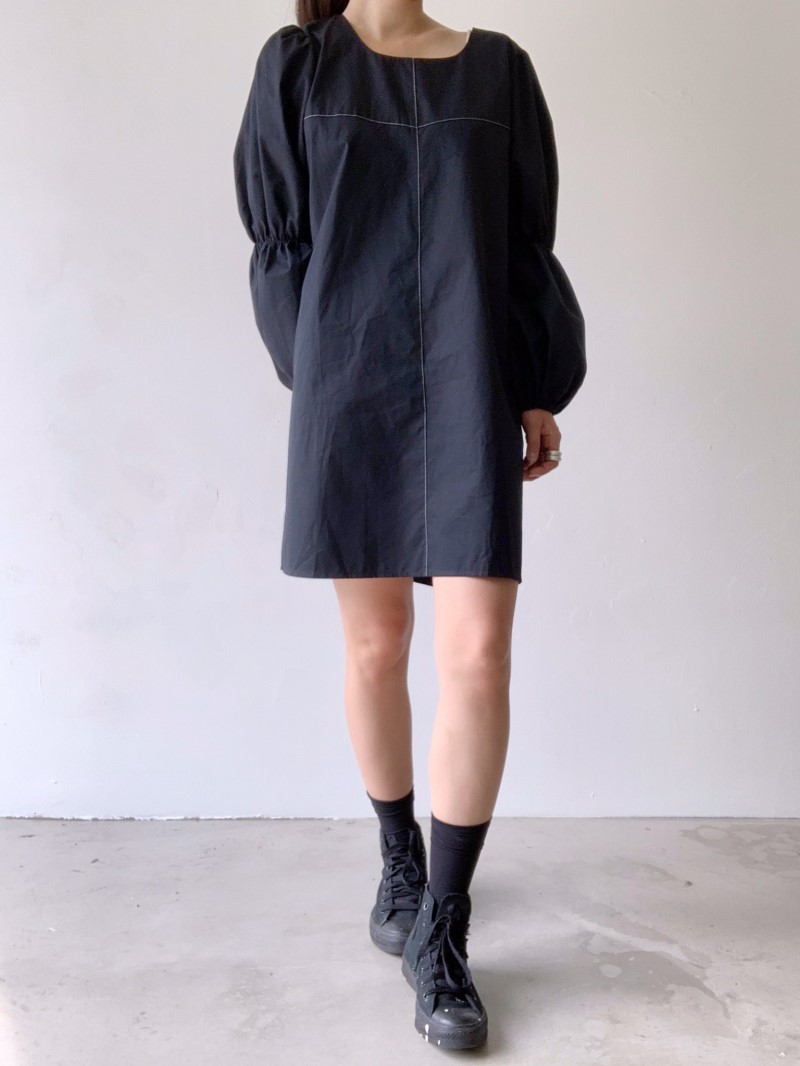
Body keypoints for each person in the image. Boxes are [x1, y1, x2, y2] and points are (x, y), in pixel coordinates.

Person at [233, 0, 586, 1051]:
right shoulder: (299, 68)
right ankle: (398, 860)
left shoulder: (500, 70)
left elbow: (524, 243)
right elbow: (281, 242)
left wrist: (537, 380)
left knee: (477, 654)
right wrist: (323, 376)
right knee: (377, 645)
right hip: (353, 386)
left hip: (473, 383)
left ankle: (444, 925)